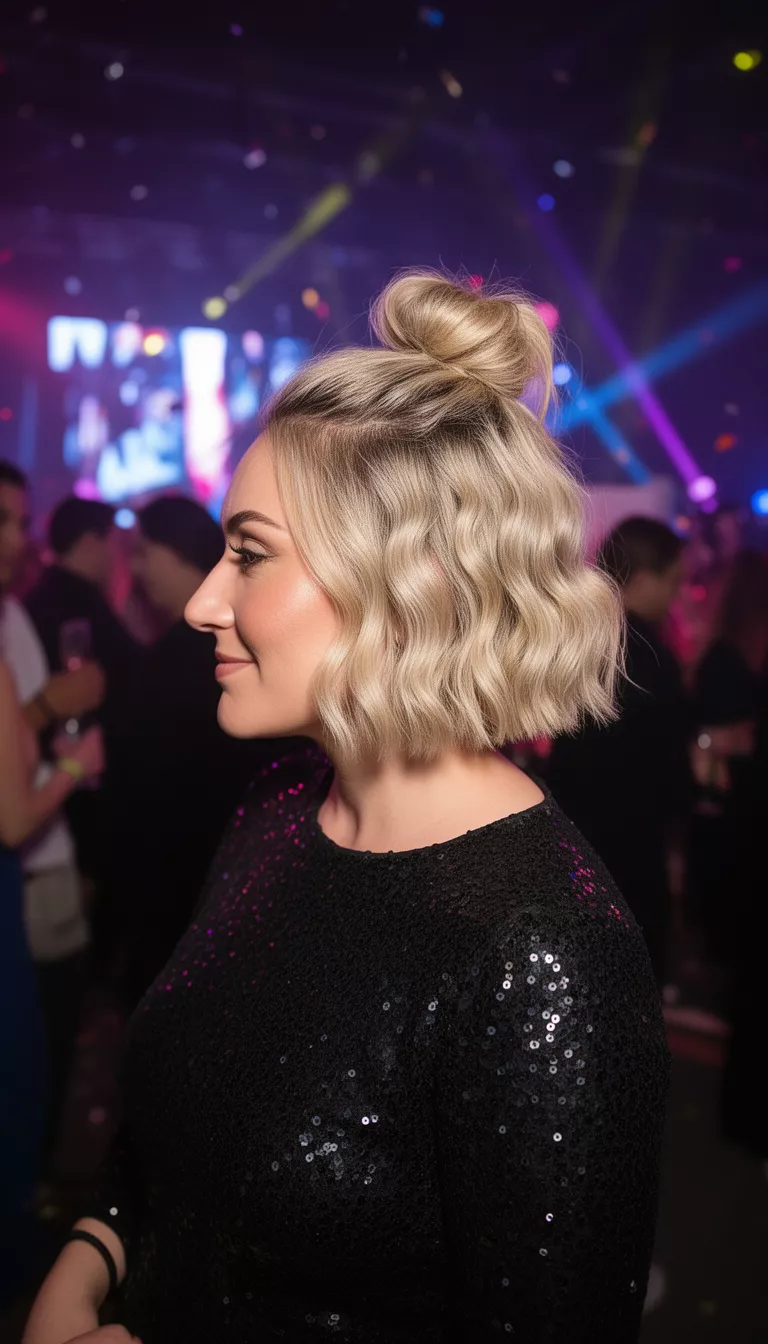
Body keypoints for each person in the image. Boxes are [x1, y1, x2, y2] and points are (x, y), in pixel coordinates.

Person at [24, 272, 668, 1344]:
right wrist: (94, 1254)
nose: (200, 603)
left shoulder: (542, 949)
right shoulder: (279, 809)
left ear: (400, 584)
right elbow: (177, 1145)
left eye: (251, 554)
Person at [106, 495, 263, 1003]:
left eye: (145, 552)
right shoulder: (175, 656)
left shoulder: (189, 662)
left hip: (184, 892)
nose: (136, 568)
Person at [1, 462, 105, 1180]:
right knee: (24, 1062)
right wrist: (73, 764)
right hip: (20, 862)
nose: (17, 538)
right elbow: (11, 817)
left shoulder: (13, 610)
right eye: (3, 522)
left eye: (20, 521)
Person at [547, 516, 691, 984]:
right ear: (645, 580)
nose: (678, 595)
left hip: (566, 836)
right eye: (674, 582)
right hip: (629, 846)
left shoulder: (574, 638)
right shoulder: (651, 654)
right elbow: (669, 774)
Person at [25, 496, 139, 917]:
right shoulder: (81, 608)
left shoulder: (33, 601)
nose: (122, 559)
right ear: (94, 541)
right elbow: (132, 683)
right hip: (73, 788)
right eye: (116, 544)